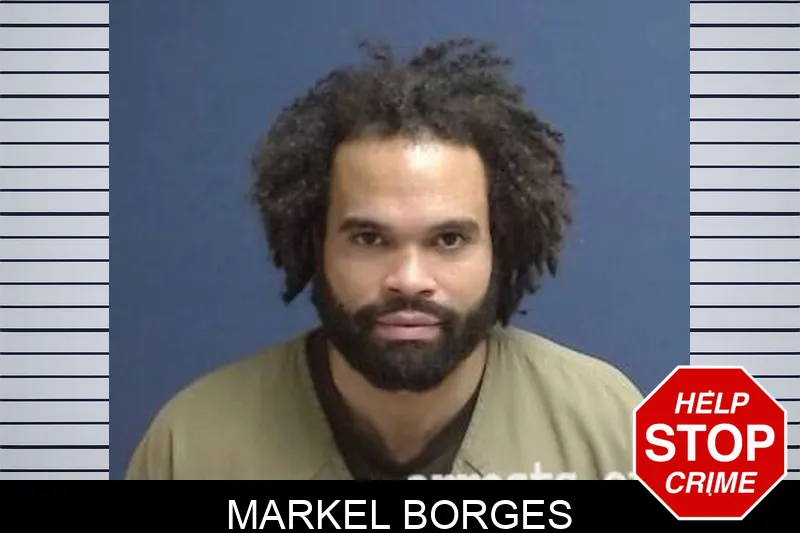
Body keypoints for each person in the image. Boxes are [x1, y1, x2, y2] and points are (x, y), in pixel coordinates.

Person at [126, 37, 643, 481]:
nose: (409, 280)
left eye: (449, 240)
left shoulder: (614, 428)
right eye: (369, 239)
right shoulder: (192, 445)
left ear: (500, 247)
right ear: (315, 244)